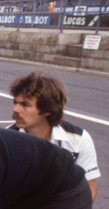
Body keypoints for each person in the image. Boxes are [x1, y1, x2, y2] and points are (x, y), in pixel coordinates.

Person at [9, 71, 99, 200]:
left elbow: (89, 187)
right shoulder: (7, 140)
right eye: (16, 102)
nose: (15, 109)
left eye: (25, 104)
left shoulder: (78, 139)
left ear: (47, 109)